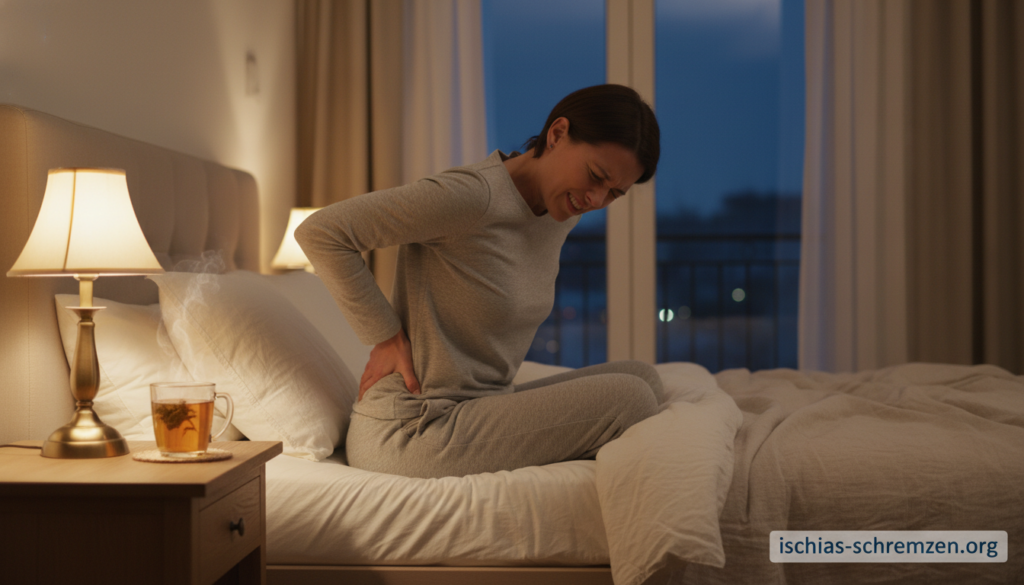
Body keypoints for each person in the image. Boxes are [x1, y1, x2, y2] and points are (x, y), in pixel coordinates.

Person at [296, 84, 663, 478]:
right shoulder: (472, 197)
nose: (595, 199)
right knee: (629, 399)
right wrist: (385, 335)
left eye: (614, 193)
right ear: (557, 135)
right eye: (595, 176)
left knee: (643, 377)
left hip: (480, 406)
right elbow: (322, 232)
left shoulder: (559, 209)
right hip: (413, 426)